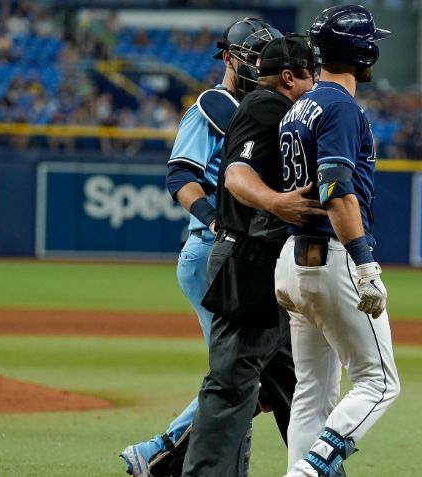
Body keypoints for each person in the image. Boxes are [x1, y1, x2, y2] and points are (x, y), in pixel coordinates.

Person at [119, 18, 288, 477]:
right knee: (240, 376)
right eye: (252, 55)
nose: (259, 64)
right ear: (230, 58)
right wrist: (214, 218)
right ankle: (162, 453)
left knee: (255, 378)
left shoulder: (264, 108)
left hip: (246, 256)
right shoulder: (212, 106)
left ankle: (162, 454)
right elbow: (180, 175)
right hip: (211, 251)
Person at [183, 35, 322, 477]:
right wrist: (275, 202)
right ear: (288, 76)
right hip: (248, 258)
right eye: (308, 74)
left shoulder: (276, 109)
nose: (315, 81)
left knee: (295, 387)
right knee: (230, 384)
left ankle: (314, 470)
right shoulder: (267, 108)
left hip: (269, 264)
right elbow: (235, 175)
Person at [274, 6, 401, 477]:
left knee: (311, 393)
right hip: (334, 258)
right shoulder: (340, 106)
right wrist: (366, 264)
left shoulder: (300, 106)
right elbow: (334, 187)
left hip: (292, 261)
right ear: (362, 51)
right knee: (380, 383)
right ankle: (308, 472)